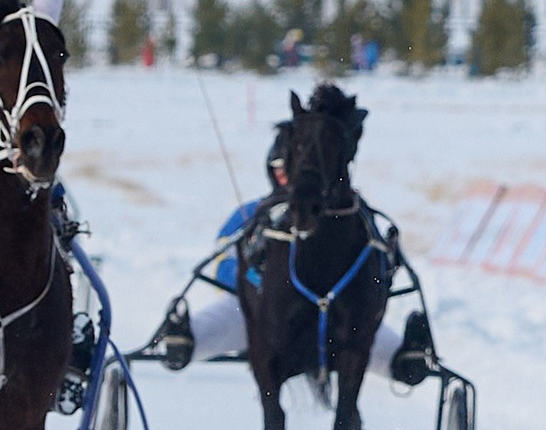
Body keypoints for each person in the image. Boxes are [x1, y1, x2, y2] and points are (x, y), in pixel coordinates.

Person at [141, 127, 437, 387]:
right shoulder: (252, 214)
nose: (287, 180)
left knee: (362, 331)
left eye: (291, 171)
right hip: (259, 310)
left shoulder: (338, 217)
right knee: (226, 319)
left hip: (333, 314)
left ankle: (405, 358)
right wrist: (261, 280)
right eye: (281, 171)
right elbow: (222, 261)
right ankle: (182, 341)